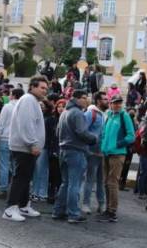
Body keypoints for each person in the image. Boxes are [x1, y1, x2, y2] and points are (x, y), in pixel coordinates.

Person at [3, 77, 48, 222]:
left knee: (25, 178)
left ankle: (23, 205)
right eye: (42, 87)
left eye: (46, 88)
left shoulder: (32, 101)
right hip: (24, 148)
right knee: (20, 178)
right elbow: (26, 124)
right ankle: (10, 209)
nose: (44, 90)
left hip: (27, 147)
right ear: (32, 87)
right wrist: (32, 144)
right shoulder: (28, 100)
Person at [53, 89, 97, 224]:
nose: (86, 100)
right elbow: (82, 132)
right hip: (76, 151)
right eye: (84, 97)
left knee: (65, 183)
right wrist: (94, 138)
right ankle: (73, 214)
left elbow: (57, 133)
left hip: (63, 150)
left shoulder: (65, 112)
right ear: (77, 99)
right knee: (74, 184)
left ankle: (58, 211)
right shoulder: (77, 113)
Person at [97, 95, 135, 222]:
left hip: (117, 154)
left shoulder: (124, 116)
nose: (118, 105)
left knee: (112, 183)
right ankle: (108, 209)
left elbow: (131, 136)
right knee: (106, 183)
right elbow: (104, 133)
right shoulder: (109, 115)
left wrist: (117, 145)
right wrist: (103, 145)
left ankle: (112, 211)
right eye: (115, 103)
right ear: (110, 104)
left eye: (119, 103)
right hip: (107, 153)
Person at [81, 91, 109, 214]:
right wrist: (87, 150)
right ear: (98, 101)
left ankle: (101, 204)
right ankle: (85, 204)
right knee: (90, 179)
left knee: (101, 181)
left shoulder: (103, 115)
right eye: (104, 99)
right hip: (92, 152)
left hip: (102, 152)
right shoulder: (90, 113)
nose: (107, 101)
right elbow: (83, 131)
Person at [0, 88, 24, 197]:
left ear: (13, 95)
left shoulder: (7, 107)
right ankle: (13, 188)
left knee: (3, 165)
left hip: (4, 138)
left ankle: (2, 188)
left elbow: (0, 123)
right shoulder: (23, 108)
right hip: (17, 140)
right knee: (14, 166)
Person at [31, 100, 54, 201]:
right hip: (37, 145)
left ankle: (41, 193)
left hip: (44, 147)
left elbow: (49, 135)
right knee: (37, 170)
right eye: (39, 105)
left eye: (42, 105)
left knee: (42, 170)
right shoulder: (38, 117)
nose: (40, 107)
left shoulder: (49, 119)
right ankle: (35, 191)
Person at [48, 99, 66, 203]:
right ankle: (51, 194)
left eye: (63, 106)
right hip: (53, 151)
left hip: (63, 151)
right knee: (52, 174)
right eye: (59, 106)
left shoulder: (67, 119)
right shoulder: (52, 120)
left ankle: (59, 195)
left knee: (60, 175)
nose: (60, 108)